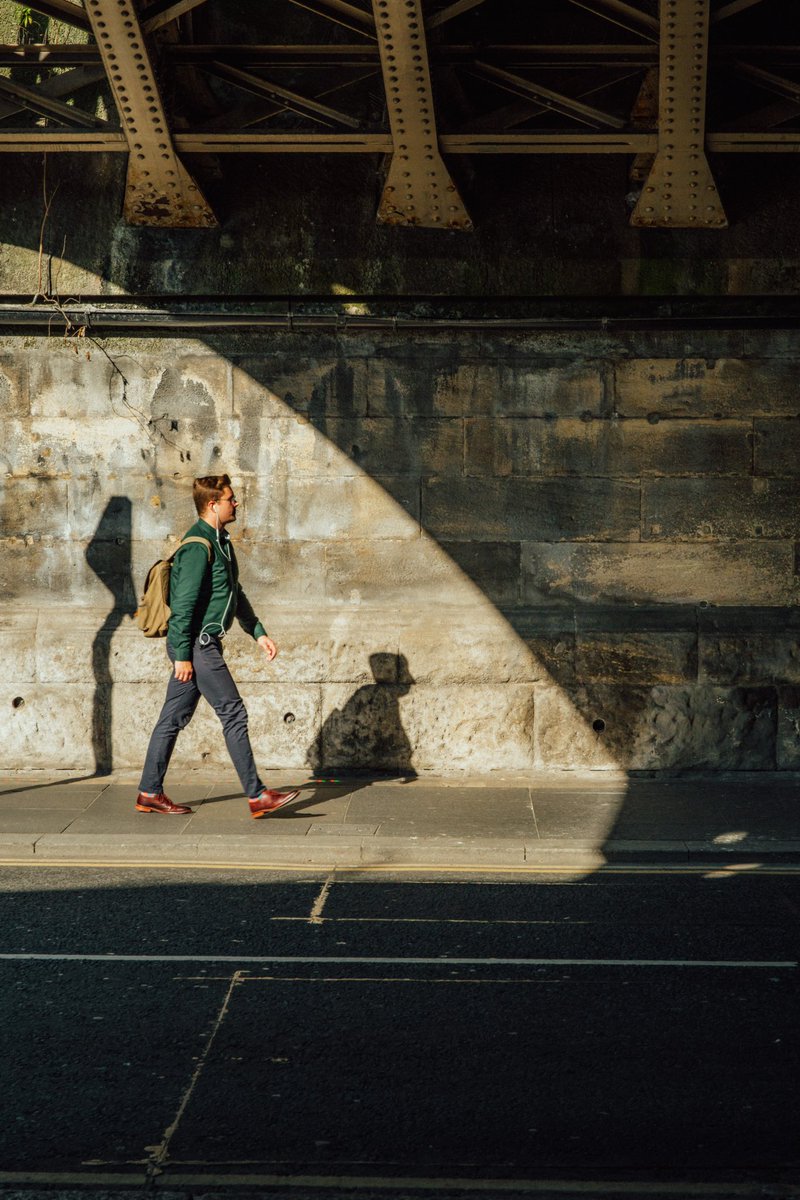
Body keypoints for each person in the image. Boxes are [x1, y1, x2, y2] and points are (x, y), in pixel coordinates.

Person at [135, 473, 300, 819]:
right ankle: (257, 796)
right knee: (233, 712)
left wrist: (258, 632)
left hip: (200, 645)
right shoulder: (198, 547)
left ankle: (149, 792)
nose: (236, 503)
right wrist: (182, 656)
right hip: (198, 645)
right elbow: (183, 607)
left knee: (172, 718)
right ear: (213, 504)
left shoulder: (220, 541)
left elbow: (234, 593)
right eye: (230, 499)